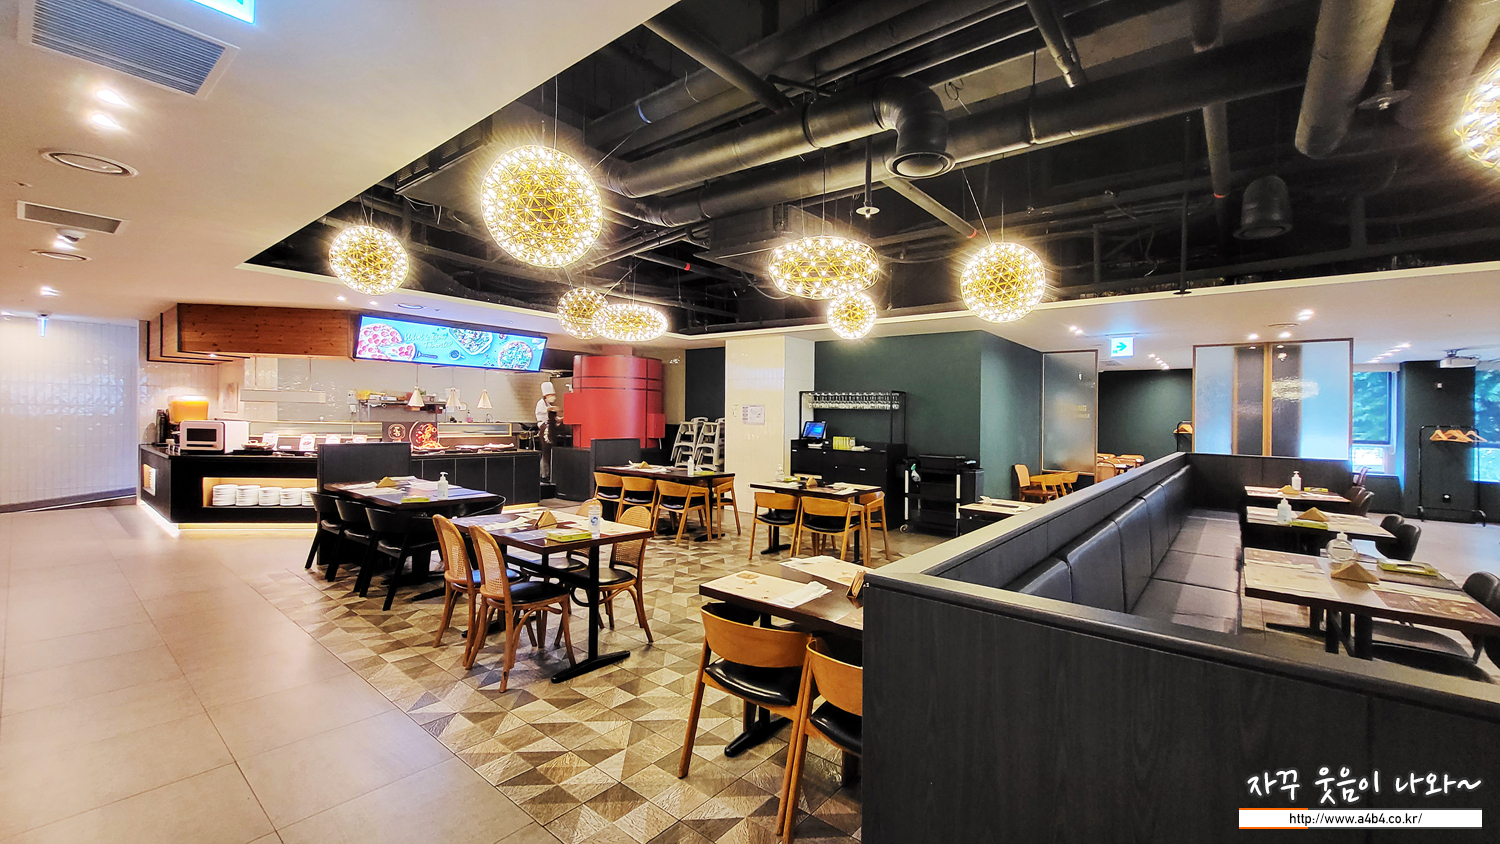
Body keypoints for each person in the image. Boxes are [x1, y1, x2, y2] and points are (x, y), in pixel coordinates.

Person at [536, 382, 558, 481]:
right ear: (546, 395)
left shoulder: (548, 404)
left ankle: (549, 474)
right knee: (545, 453)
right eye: (551, 395)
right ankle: (544, 475)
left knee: (549, 454)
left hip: (550, 429)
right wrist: (553, 409)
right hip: (544, 429)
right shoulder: (541, 404)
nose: (553, 397)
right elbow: (547, 411)